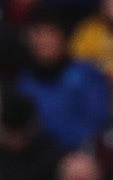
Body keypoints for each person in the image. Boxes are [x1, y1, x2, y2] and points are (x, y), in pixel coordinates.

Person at [18, 11, 111, 152]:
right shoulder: (24, 83)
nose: (45, 41)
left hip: (84, 153)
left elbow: (98, 120)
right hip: (39, 157)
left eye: (50, 33)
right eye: (38, 34)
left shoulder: (87, 73)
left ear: (63, 37)